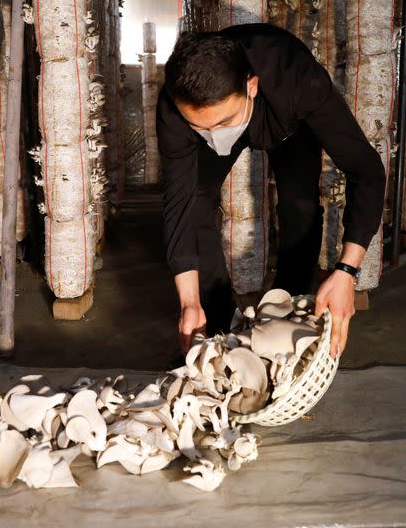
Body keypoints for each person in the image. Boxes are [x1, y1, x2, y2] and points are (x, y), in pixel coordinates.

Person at [157, 23, 386, 360]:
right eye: (199, 127)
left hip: (287, 124)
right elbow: (179, 206)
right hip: (225, 112)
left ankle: (288, 313)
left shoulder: (299, 80)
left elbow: (366, 170)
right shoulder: (174, 105)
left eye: (222, 123)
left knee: (299, 203)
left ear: (251, 87)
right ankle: (219, 326)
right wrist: (189, 302)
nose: (213, 134)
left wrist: (348, 271)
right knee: (198, 203)